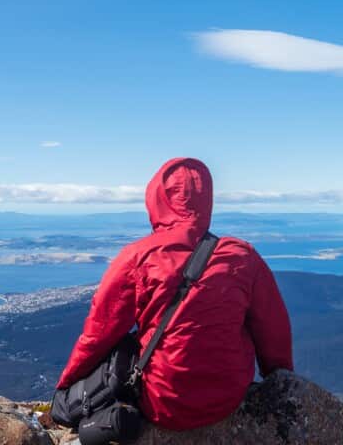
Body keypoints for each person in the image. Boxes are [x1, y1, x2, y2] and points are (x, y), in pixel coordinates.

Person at [56, 157, 293, 430]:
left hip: (162, 403)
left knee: (126, 348)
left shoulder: (138, 257)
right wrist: (279, 379)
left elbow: (99, 333)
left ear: (157, 199)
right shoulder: (243, 256)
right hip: (227, 398)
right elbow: (273, 329)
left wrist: (68, 384)